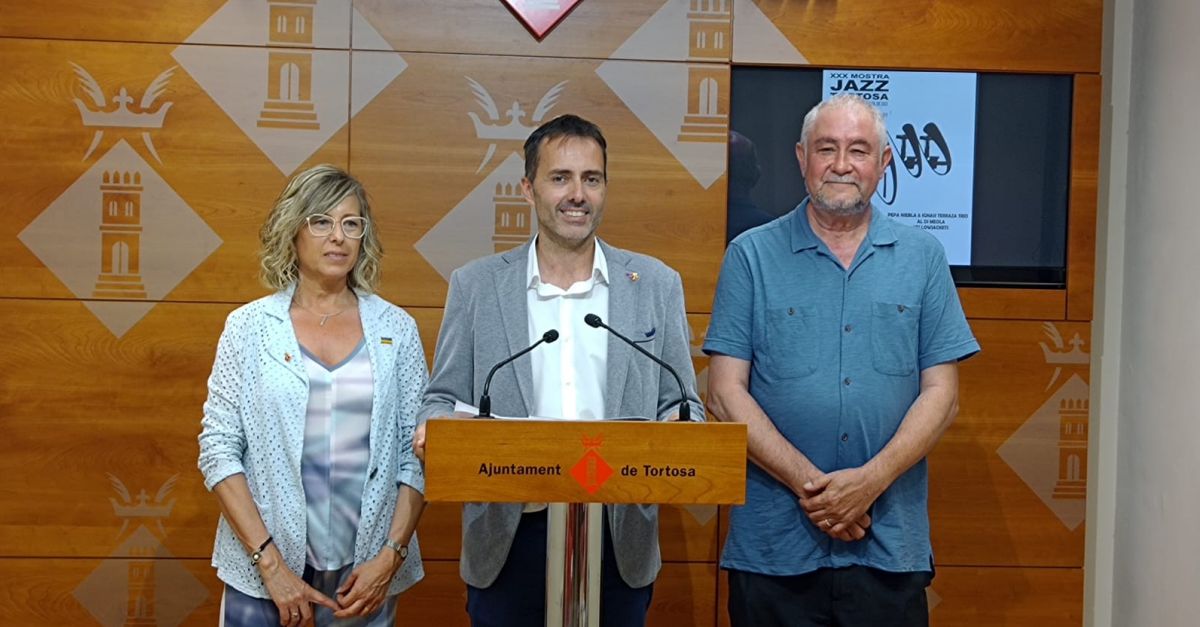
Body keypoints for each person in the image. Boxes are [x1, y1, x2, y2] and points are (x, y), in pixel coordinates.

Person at [415, 114, 704, 627]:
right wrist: (437, 427)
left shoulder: (655, 284)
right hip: (509, 534)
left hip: (619, 535)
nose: (577, 194)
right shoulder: (476, 286)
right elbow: (440, 398)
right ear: (528, 188)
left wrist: (678, 431)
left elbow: (683, 404)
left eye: (591, 179)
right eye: (560, 178)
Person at [704, 94, 980, 627]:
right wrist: (817, 490)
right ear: (801, 157)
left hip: (888, 545)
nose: (841, 164)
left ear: (884, 161)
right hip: (774, 550)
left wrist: (867, 483)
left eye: (858, 150)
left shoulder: (924, 257)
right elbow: (723, 393)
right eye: (826, 148)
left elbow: (942, 396)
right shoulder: (750, 255)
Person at [198, 165, 427, 626]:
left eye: (351, 223)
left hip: (363, 578)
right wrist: (270, 565)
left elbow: (418, 454)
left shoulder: (397, 329)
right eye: (321, 221)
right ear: (293, 230)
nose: (338, 236)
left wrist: (390, 557)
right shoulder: (248, 328)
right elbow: (218, 450)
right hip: (263, 573)